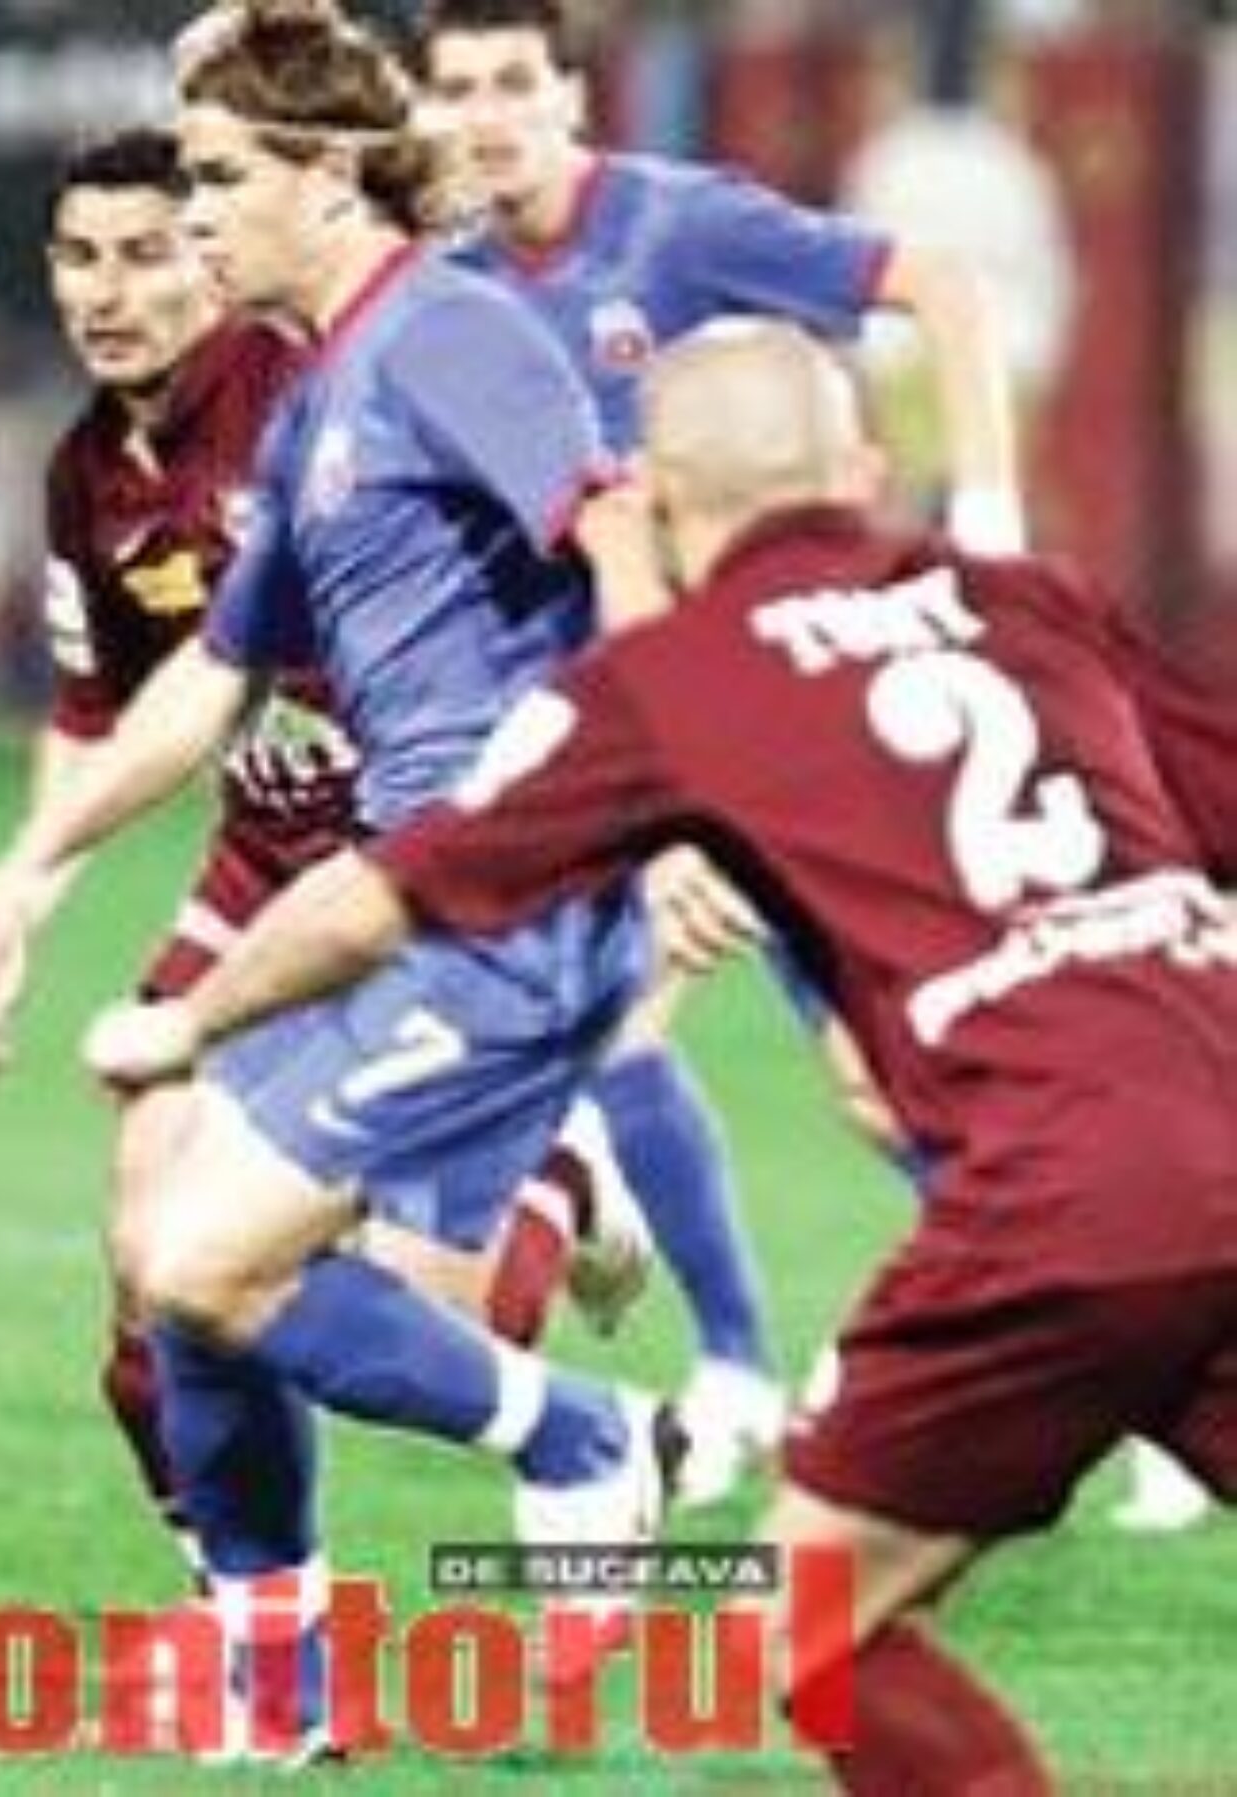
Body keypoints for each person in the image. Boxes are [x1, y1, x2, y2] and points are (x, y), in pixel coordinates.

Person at [87, 317, 1237, 1791]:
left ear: (664, 506)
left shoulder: (674, 679)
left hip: (1060, 1194)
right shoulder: (1032, 600)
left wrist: (190, 1019)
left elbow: (383, 896)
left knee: (810, 1628)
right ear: (864, 469)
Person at [0, 125, 654, 1593]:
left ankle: (558, 1180)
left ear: (215, 255)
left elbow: (583, 519)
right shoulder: (88, 472)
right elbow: (106, 711)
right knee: (154, 1272)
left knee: (433, 1314)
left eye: (150, 249)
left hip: (410, 874)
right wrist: (26, 885)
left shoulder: (313, 381)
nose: (108, 291)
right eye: (79, 258)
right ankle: (244, 1612)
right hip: (265, 870)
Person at [401, 0, 1028, 1503]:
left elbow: (940, 286)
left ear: (572, 94)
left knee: (880, 1070)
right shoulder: (453, 293)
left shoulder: (678, 228)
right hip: (637, 733)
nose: (487, 116)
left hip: (789, 713)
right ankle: (744, 1365)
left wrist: (992, 525)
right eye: (457, 89)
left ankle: (1093, 1328)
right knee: (626, 1030)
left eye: (513, 82)